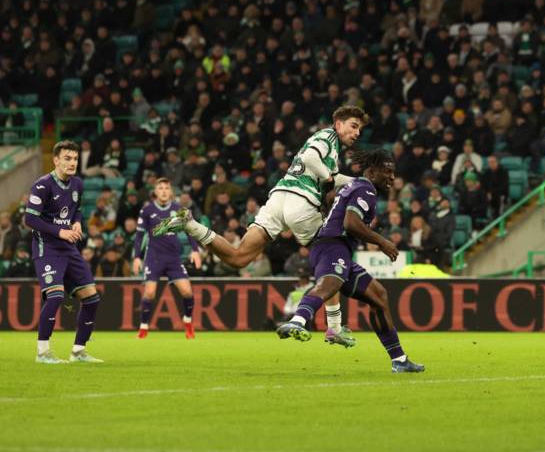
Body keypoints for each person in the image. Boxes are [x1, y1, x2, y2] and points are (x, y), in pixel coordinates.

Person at [155, 106, 369, 347]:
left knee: (238, 258)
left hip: (278, 199)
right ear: (338, 123)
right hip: (302, 201)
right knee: (332, 256)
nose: (357, 132)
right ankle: (335, 327)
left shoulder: (331, 150)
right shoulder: (327, 136)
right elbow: (311, 159)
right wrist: (330, 179)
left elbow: (330, 174)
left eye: (360, 129)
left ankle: (191, 225)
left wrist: (358, 182)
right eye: (353, 126)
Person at [276, 149, 425, 373]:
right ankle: (297, 321)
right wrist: (382, 242)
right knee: (329, 285)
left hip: (334, 247)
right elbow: (351, 223)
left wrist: (328, 212)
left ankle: (400, 360)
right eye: (388, 172)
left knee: (379, 296)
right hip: (333, 246)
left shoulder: (352, 186)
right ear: (373, 171)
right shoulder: (366, 188)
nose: (392, 178)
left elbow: (329, 197)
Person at [24, 141, 103, 364]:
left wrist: (77, 224)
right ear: (56, 160)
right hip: (47, 249)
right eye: (67, 158)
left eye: (75, 159)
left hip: (69, 247)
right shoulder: (42, 185)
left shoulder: (77, 184)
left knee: (92, 299)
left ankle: (78, 351)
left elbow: (77, 211)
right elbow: (30, 219)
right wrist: (61, 232)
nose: (72, 163)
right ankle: (42, 352)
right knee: (56, 296)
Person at [132, 178, 202, 339]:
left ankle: (188, 321)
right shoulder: (147, 210)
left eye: (166, 188)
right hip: (154, 257)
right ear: (155, 191)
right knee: (149, 293)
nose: (163, 191)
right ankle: (143, 328)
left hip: (173, 259)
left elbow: (191, 231)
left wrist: (195, 250)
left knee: (187, 292)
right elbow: (139, 236)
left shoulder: (180, 210)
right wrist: (136, 257)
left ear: (171, 191)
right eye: (160, 188)